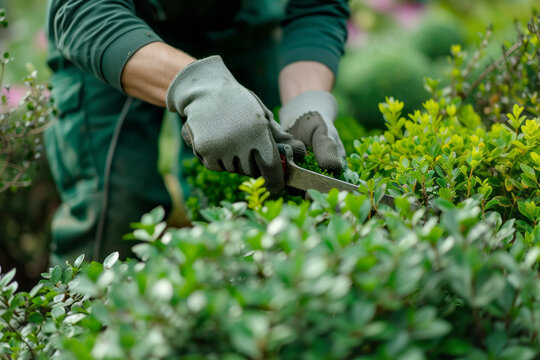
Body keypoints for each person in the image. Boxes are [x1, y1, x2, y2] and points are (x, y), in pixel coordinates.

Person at [44, 0, 350, 265]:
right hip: (110, 23)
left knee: (257, 200)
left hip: (236, 18)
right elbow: (81, 8)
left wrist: (305, 102)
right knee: (115, 213)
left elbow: (317, 5)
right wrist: (200, 88)